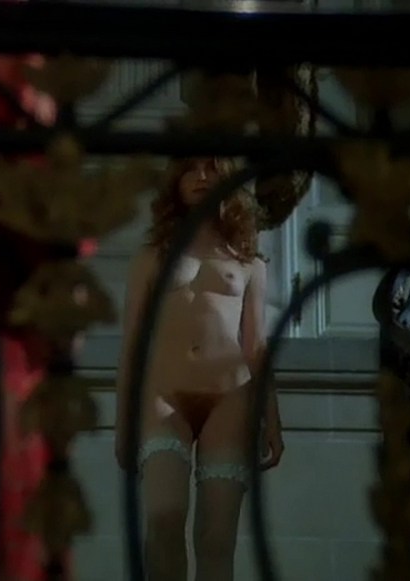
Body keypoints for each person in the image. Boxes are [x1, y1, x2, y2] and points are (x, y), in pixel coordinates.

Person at [114, 157, 284, 581]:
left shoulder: (250, 263)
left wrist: (272, 418)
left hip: (231, 398)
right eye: (191, 169)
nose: (202, 177)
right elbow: (132, 345)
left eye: (212, 168)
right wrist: (122, 423)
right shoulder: (151, 257)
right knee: (164, 518)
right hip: (164, 396)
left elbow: (257, 346)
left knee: (216, 540)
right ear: (175, 181)